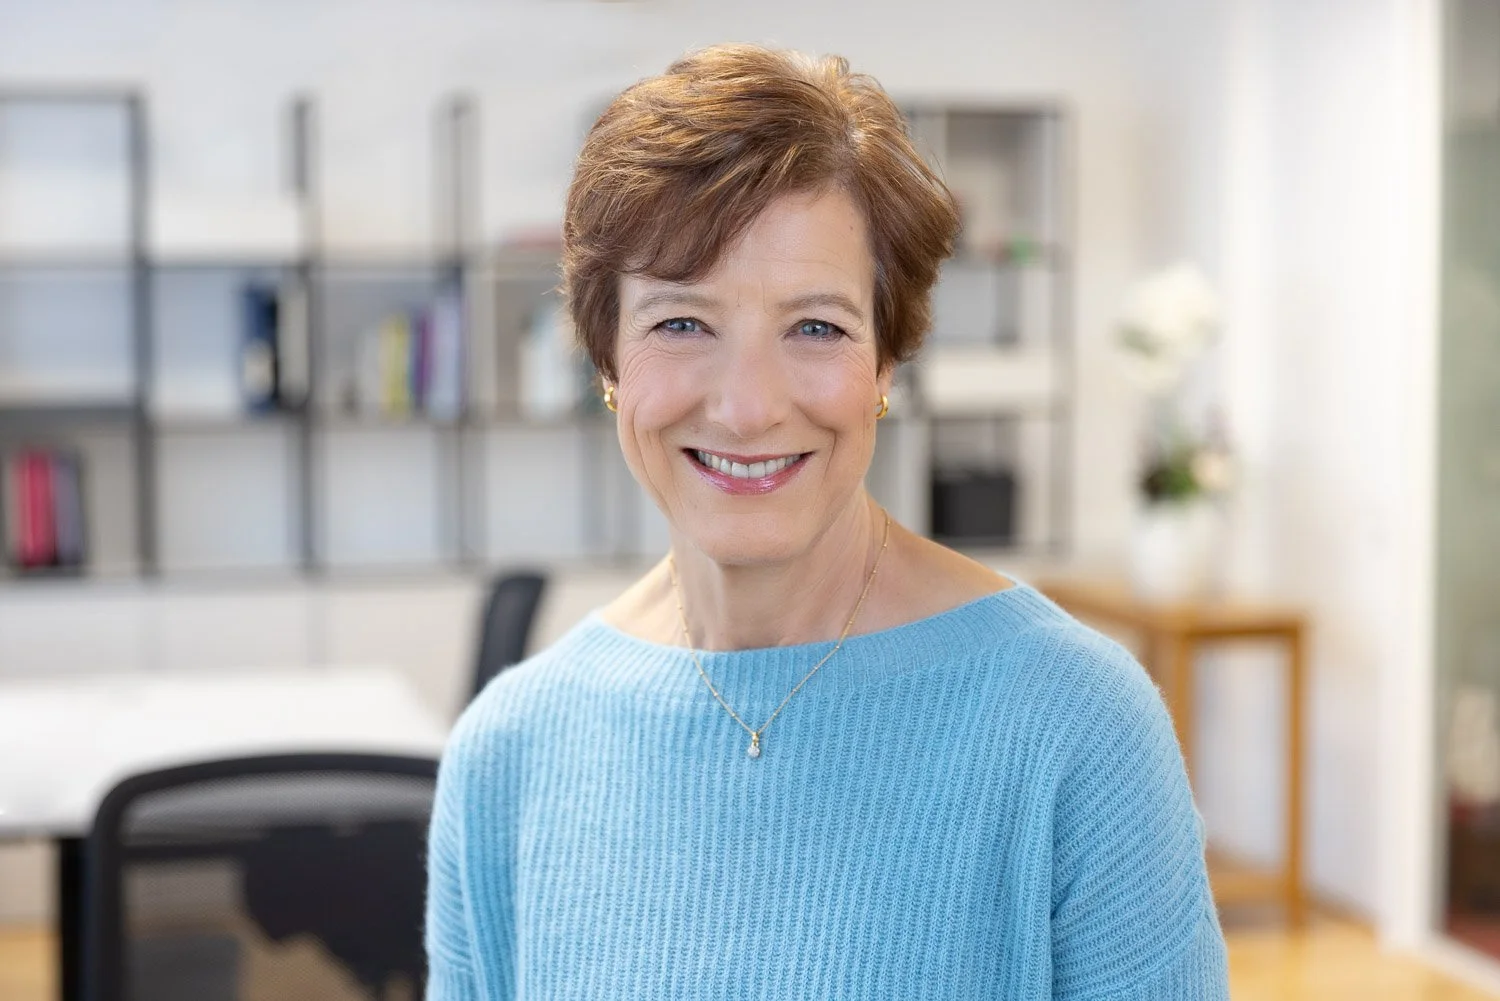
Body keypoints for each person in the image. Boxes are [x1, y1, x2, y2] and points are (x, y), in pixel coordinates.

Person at [425, 43, 1230, 1000]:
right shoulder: (507, 755)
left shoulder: (1075, 726)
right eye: (681, 322)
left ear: (886, 364)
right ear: (607, 362)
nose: (749, 406)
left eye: (817, 327)